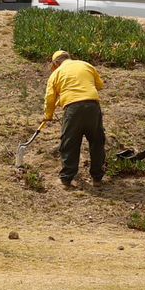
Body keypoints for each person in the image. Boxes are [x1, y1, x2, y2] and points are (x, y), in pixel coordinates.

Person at [44, 50, 106, 188]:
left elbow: (50, 98)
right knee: (97, 141)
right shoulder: (86, 65)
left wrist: (48, 116)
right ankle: (97, 178)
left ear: (56, 63)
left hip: (73, 109)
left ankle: (66, 179)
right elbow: (100, 85)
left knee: (70, 143)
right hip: (92, 106)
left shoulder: (56, 74)